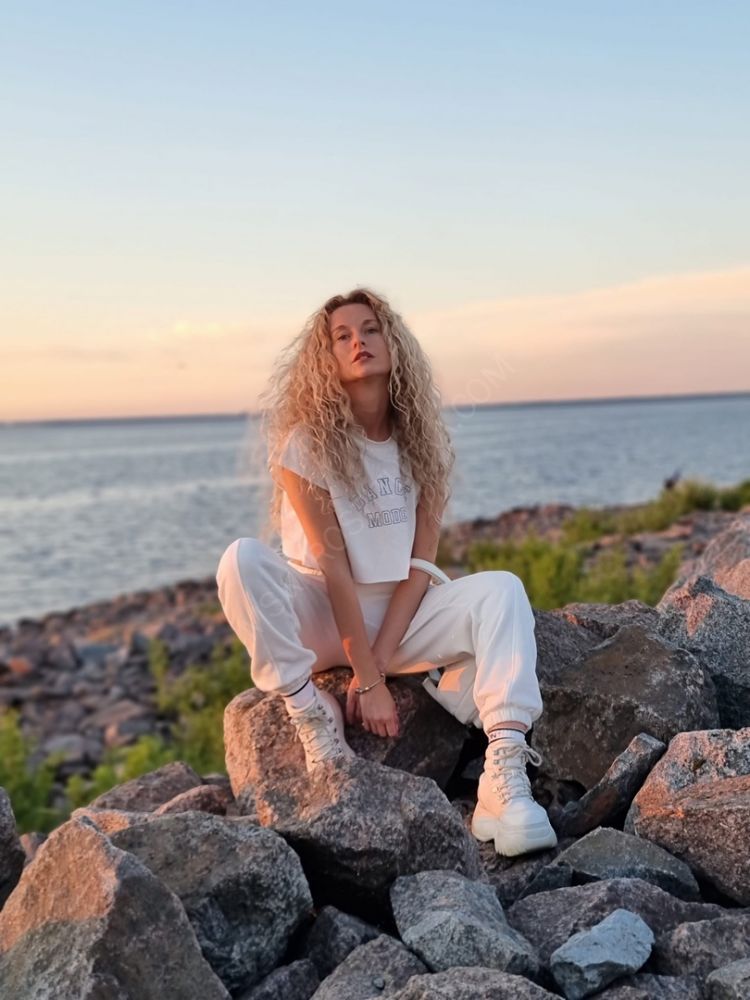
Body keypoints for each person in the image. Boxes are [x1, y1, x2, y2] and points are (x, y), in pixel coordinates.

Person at [215, 287, 557, 857]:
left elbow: (420, 565)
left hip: (402, 615)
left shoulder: (424, 444)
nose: (359, 342)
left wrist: (376, 664)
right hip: (321, 611)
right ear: (325, 358)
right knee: (242, 560)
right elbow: (332, 563)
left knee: (502, 590)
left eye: (370, 329)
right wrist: (366, 678)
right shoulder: (305, 444)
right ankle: (308, 708)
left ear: (392, 341)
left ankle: (503, 777)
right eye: (342, 336)